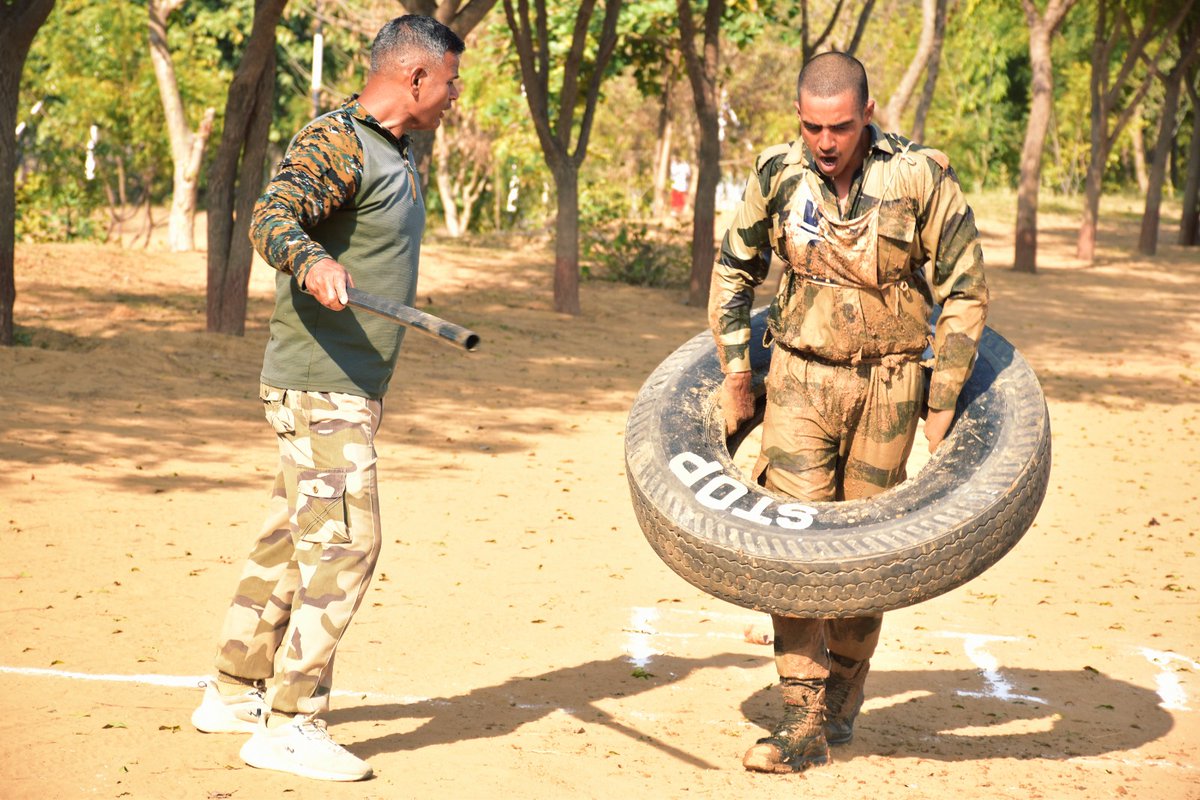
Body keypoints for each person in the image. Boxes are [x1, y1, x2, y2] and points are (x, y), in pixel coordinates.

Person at [189, 15, 464, 782]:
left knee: (294, 540)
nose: (454, 98)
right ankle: (290, 724)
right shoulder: (337, 140)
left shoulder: (396, 150)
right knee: (346, 546)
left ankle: (232, 690)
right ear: (415, 77)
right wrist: (310, 263)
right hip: (321, 386)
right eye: (450, 83)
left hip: (343, 386)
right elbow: (272, 216)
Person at [708, 51, 988, 774]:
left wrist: (944, 396)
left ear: (867, 114)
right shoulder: (777, 172)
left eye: (838, 126)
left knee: (865, 559)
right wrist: (739, 370)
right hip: (799, 380)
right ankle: (800, 713)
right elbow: (734, 270)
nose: (824, 142)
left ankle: (839, 704)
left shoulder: (920, 174)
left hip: (890, 385)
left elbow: (964, 289)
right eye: (811, 126)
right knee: (795, 550)